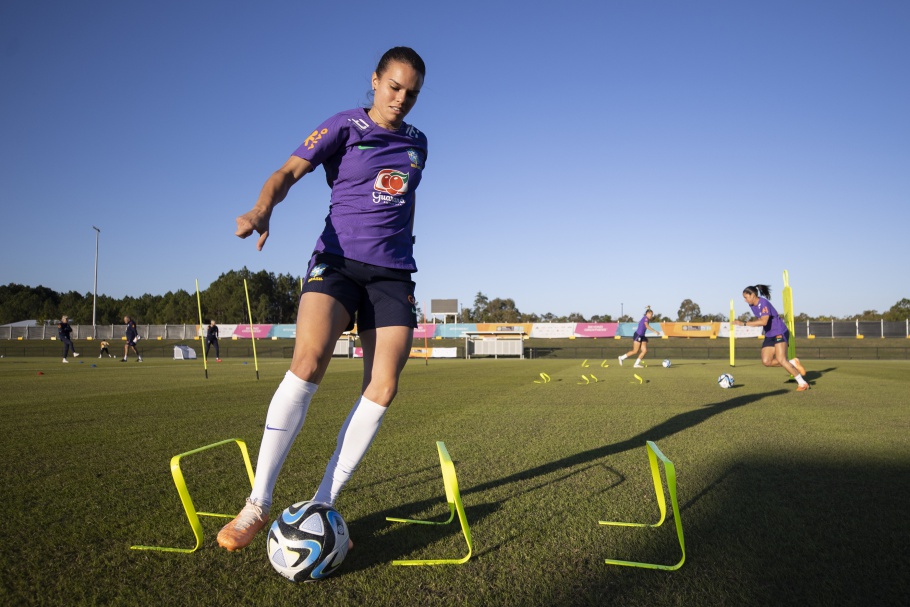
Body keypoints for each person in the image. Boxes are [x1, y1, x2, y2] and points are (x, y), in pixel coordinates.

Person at [217, 46, 428, 553]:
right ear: (375, 80)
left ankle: (323, 506)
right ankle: (257, 504)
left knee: (383, 386)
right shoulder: (344, 125)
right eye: (394, 87)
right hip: (337, 262)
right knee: (308, 361)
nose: (401, 99)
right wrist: (262, 208)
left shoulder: (419, 143)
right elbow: (287, 172)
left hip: (392, 275)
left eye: (412, 93)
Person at [736, 284, 809, 391]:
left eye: (746, 297)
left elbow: (763, 321)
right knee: (766, 361)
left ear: (753, 295)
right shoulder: (752, 306)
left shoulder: (763, 303)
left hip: (779, 331)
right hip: (769, 334)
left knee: (781, 359)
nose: (745, 300)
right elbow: (761, 320)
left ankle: (802, 383)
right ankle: (793, 362)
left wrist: (743, 324)